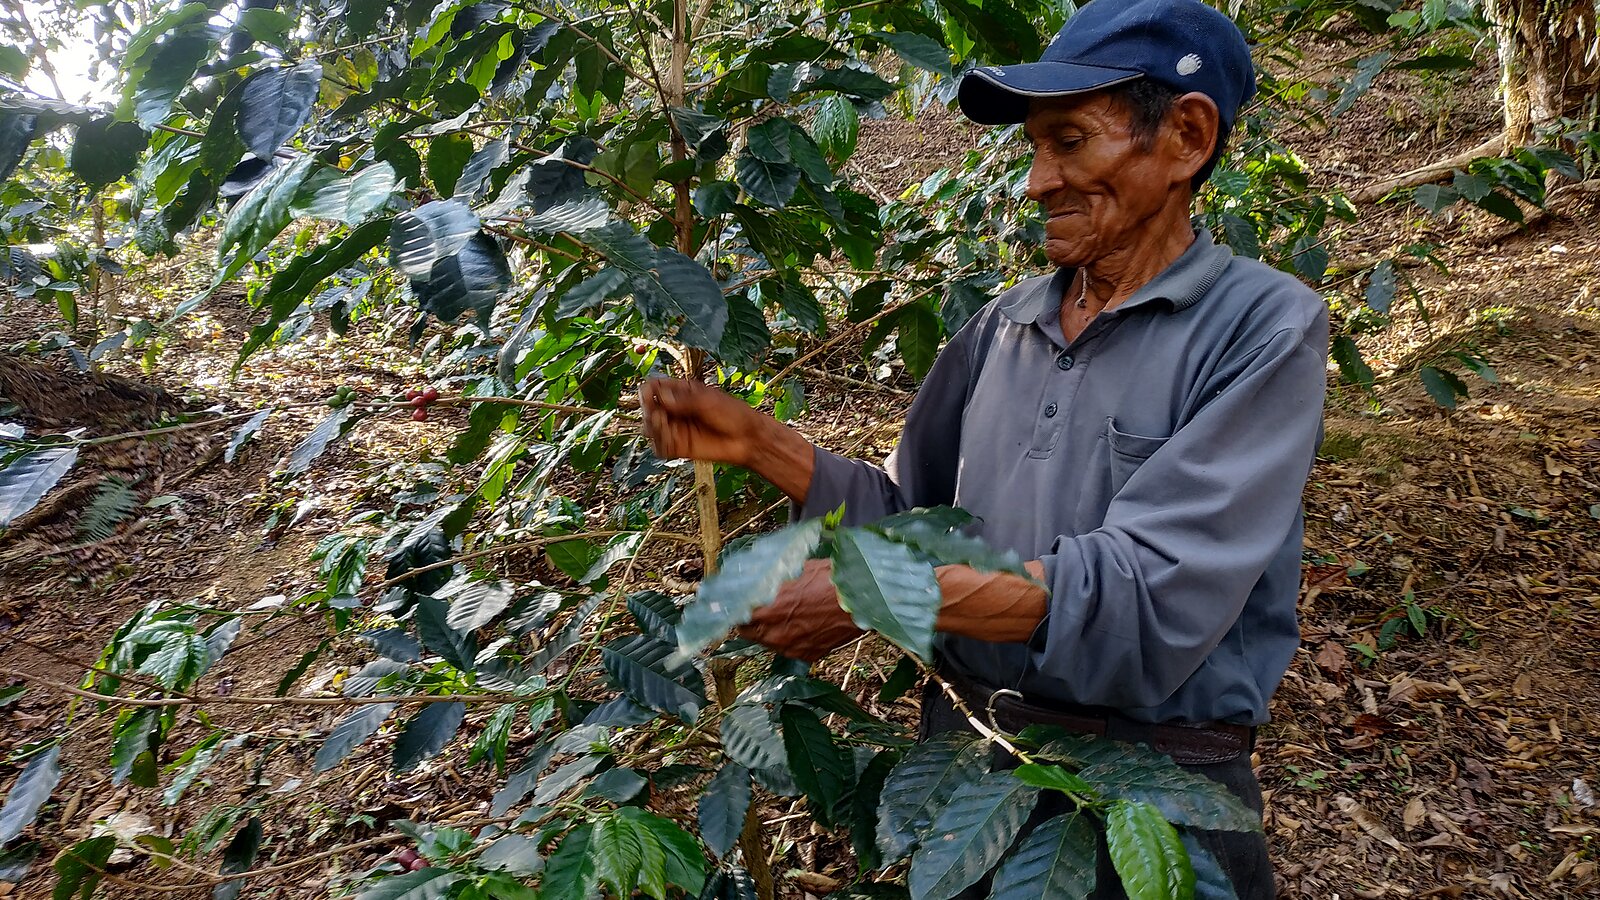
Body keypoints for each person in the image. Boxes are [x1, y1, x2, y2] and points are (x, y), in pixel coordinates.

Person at [640, 0, 1327, 895]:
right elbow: (916, 523)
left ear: (1188, 137)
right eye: (1034, 149)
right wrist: (765, 445)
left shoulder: (1264, 328)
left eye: (1071, 140)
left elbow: (1151, 590)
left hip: (1148, 801)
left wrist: (875, 597)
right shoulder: (1007, 323)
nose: (1037, 182)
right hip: (967, 777)